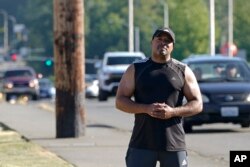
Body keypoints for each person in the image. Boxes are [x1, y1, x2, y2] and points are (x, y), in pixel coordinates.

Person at [115, 27, 203, 167]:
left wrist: (172, 112)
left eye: (167, 41)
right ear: (152, 42)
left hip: (174, 144)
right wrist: (146, 108)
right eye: (159, 39)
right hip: (142, 143)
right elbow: (120, 101)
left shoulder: (183, 70)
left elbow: (198, 104)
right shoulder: (136, 69)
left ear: (172, 46)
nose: (163, 43)